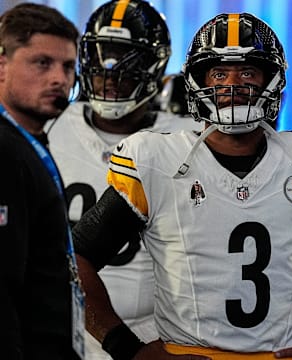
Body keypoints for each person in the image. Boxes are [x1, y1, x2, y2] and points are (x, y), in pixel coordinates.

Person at [73, 13, 292, 360]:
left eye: (248, 72)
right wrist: (126, 348)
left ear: (272, 80)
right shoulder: (156, 159)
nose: (233, 85)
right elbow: (74, 257)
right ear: (197, 81)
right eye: (219, 73)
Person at [47, 0, 202, 358]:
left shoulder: (189, 141)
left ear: (155, 66)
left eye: (127, 62)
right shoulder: (49, 125)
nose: (111, 72)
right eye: (103, 59)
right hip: (53, 323)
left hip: (155, 329)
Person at [0, 3, 84, 360]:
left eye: (67, 66)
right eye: (42, 63)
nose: (59, 79)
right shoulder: (5, 151)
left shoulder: (26, 145)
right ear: (2, 65)